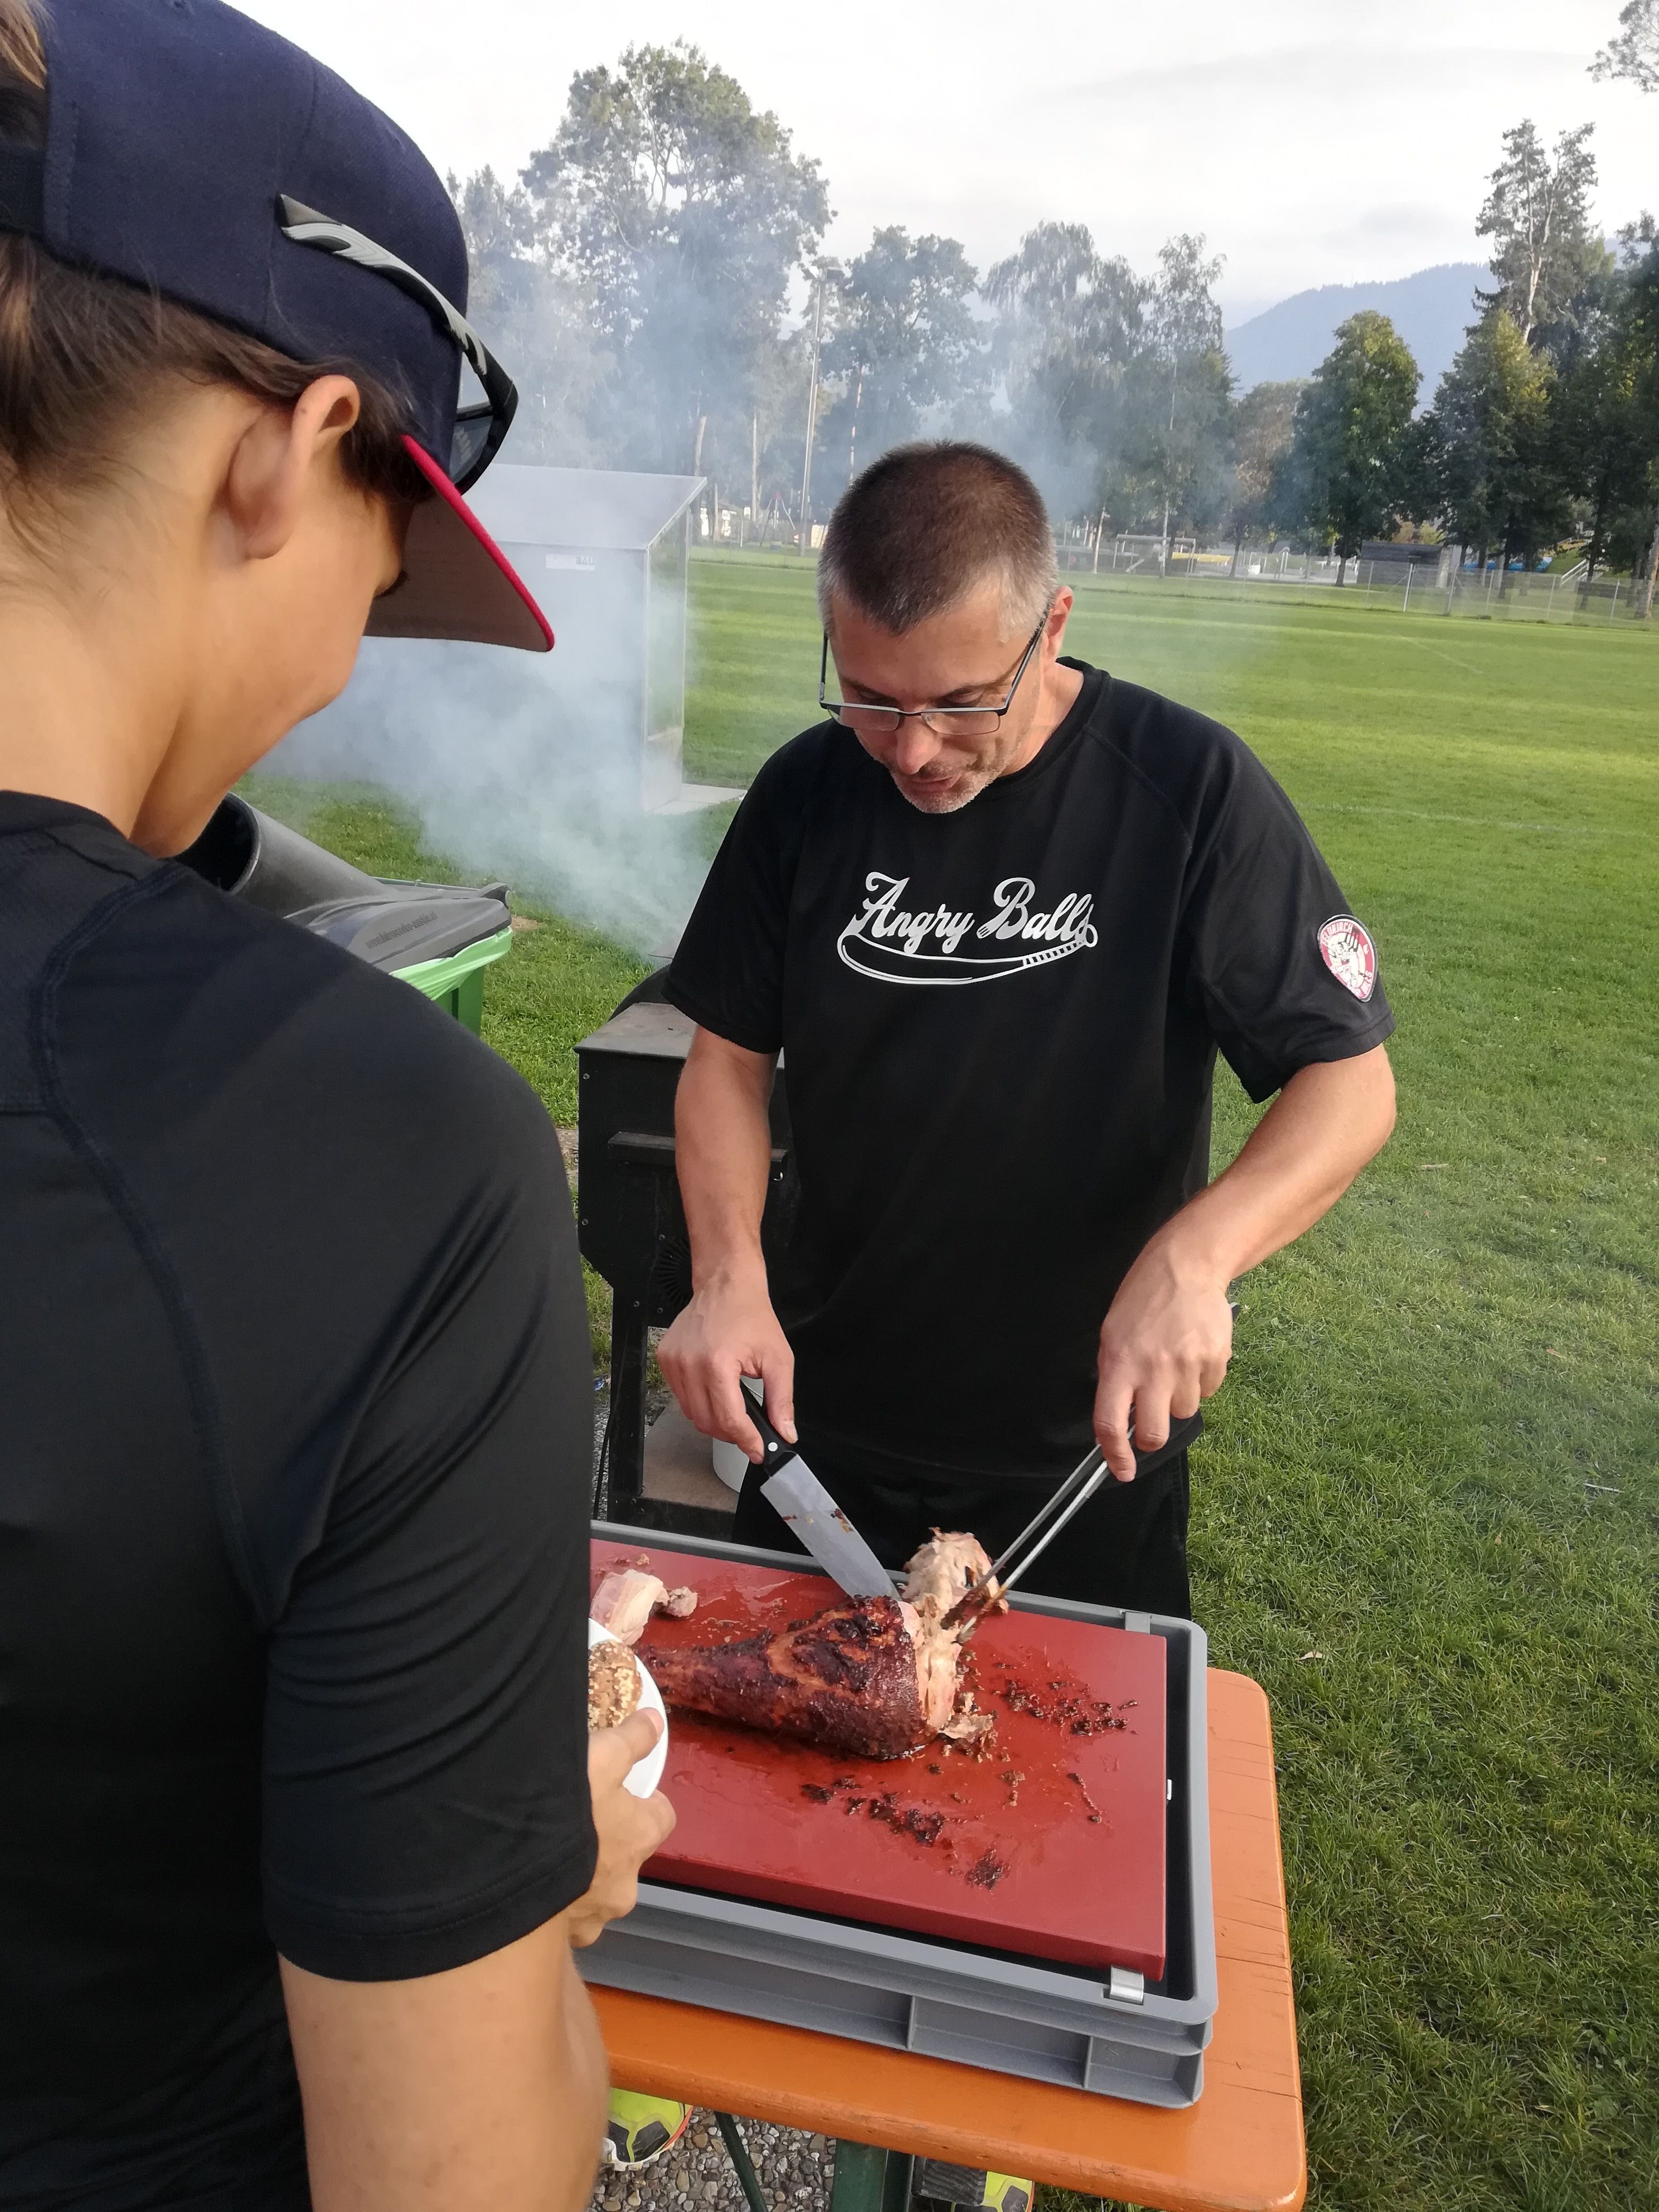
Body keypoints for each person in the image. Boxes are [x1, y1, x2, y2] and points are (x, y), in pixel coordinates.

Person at [0, 3, 672, 2208]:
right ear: (284, 455)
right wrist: (535, 1892)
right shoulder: (389, 1173)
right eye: (377, 589)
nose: (331, 677)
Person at [659, 444, 1397, 1616]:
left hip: (1082, 1445)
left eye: (962, 704)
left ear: (1051, 626)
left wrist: (1197, 1257)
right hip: (820, 1417)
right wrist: (727, 1277)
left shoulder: (1187, 789)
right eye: (872, 698)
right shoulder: (806, 791)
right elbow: (726, 1064)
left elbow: (1350, 1082)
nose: (912, 752)